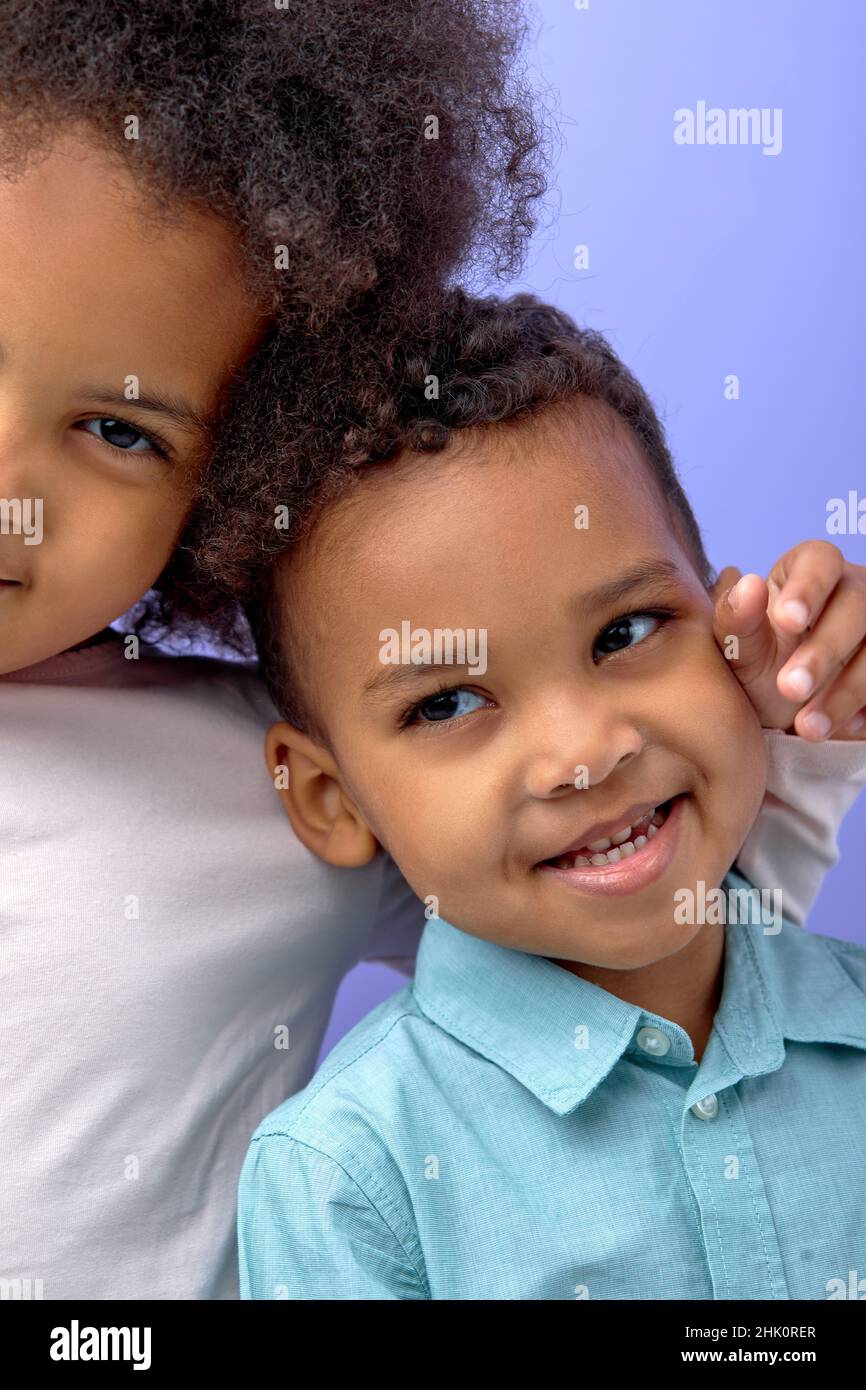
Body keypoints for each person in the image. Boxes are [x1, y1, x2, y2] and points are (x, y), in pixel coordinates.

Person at [0, 0, 546, 1299]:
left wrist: (792, 735)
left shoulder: (291, 774)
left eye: (121, 432)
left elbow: (643, 945)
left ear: (233, 487)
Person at [237, 291, 866, 1300]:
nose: (581, 753)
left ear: (726, 622)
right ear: (329, 797)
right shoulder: (352, 1181)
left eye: (624, 632)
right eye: (445, 702)